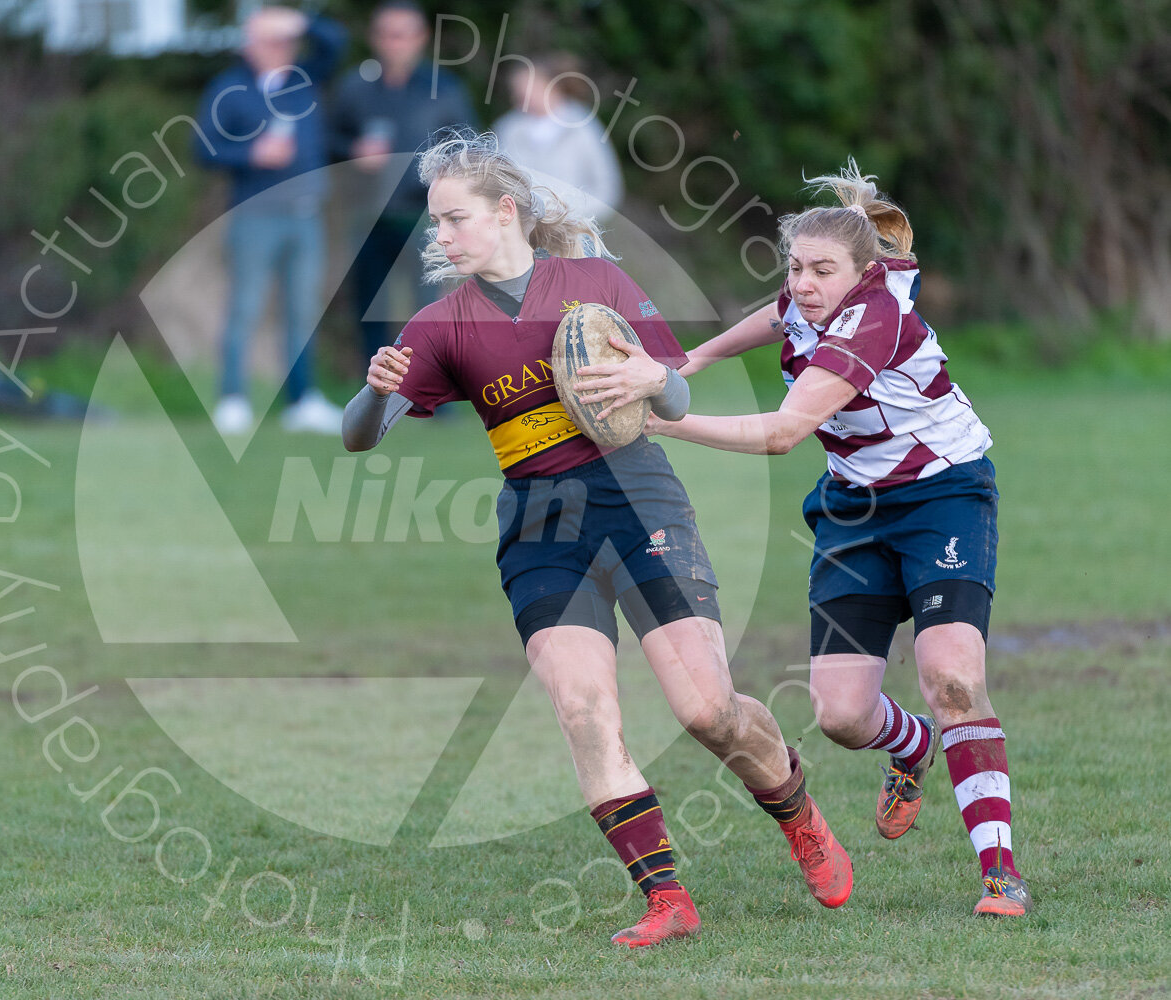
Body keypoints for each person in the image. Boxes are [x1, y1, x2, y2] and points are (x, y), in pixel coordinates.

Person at [342, 131, 852, 947]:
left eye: (452, 219)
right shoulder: (440, 326)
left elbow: (675, 403)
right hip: (539, 523)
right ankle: (666, 901)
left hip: (637, 496)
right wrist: (373, 394)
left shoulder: (595, 283)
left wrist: (659, 378)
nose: (439, 236)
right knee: (583, 708)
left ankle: (797, 811)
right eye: (436, 223)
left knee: (708, 711)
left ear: (504, 211)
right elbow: (357, 438)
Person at [639, 160, 1031, 917]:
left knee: (951, 675)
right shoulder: (807, 300)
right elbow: (778, 312)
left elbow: (785, 431)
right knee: (842, 718)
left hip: (944, 496)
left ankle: (1000, 871)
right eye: (796, 267)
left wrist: (662, 419)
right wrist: (694, 360)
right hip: (853, 510)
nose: (806, 282)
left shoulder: (874, 318)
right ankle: (913, 748)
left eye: (823, 270)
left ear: (863, 275)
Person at [196, 7, 348, 436]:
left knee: (302, 310)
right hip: (254, 215)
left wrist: (297, 21)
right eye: (268, 40)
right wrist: (251, 155)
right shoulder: (229, 88)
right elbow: (202, 148)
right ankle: (232, 399)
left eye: (283, 40)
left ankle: (302, 401)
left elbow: (336, 41)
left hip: (306, 216)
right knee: (245, 307)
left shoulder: (306, 78)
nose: (278, 48)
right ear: (248, 45)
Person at [330, 0, 474, 365]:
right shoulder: (355, 87)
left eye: (404, 35)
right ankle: (374, 395)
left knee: (428, 308)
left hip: (424, 219)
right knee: (369, 307)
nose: (396, 43)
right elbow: (326, 141)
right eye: (388, 34)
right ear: (375, 38)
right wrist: (353, 150)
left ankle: (432, 395)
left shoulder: (445, 89)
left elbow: (468, 150)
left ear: (421, 38)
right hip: (367, 216)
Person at [493, 54, 623, 221]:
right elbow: (496, 181)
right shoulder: (507, 129)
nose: (523, 95)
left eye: (531, 87)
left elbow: (607, 187)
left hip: (573, 231)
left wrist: (570, 215)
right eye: (518, 90)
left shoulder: (583, 127)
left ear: (553, 86)